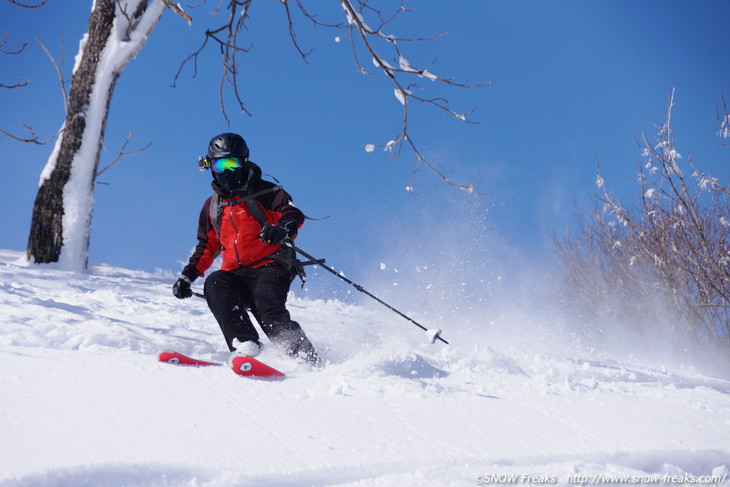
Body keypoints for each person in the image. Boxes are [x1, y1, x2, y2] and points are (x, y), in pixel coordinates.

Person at [172, 132, 320, 366]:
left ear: (244, 162)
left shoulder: (268, 192)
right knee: (215, 283)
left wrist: (283, 228)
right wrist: (187, 276)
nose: (228, 171)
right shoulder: (212, 207)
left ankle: (303, 358)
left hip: (270, 264)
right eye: (222, 164)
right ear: (211, 167)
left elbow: (292, 213)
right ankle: (246, 345)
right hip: (235, 273)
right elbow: (207, 245)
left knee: (267, 305)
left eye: (233, 163)